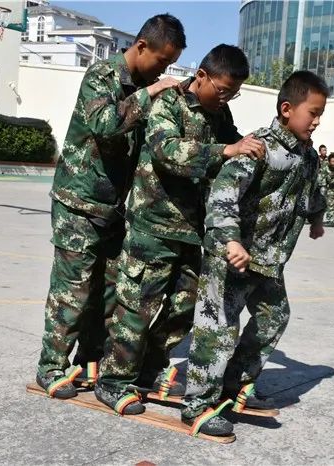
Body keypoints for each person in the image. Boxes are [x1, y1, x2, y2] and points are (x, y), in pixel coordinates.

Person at [94, 45, 264, 414]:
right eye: (223, 90)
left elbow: (234, 143)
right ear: (201, 76)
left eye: (233, 93)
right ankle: (112, 381)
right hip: (152, 225)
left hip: (190, 229)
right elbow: (166, 150)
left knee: (182, 310)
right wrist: (225, 151)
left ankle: (147, 372)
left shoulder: (219, 112)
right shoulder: (169, 101)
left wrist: (252, 147)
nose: (226, 98)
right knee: (137, 307)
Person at [36, 14, 187, 399]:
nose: (164, 71)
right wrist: (151, 94)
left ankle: (90, 360)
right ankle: (50, 366)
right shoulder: (101, 76)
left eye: (170, 65)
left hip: (117, 209)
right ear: (142, 46)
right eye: (162, 61)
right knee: (73, 290)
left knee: (108, 292)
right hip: (79, 203)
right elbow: (104, 123)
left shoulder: (145, 87)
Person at [181, 71, 328, 437]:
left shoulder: (308, 156)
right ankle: (197, 405)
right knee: (218, 326)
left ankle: (234, 386)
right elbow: (223, 195)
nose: (317, 121)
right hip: (233, 255)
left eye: (321, 114)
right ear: (286, 109)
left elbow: (311, 193)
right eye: (312, 112)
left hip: (267, 259)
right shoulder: (259, 147)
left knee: (274, 316)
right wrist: (231, 240)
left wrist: (317, 219)